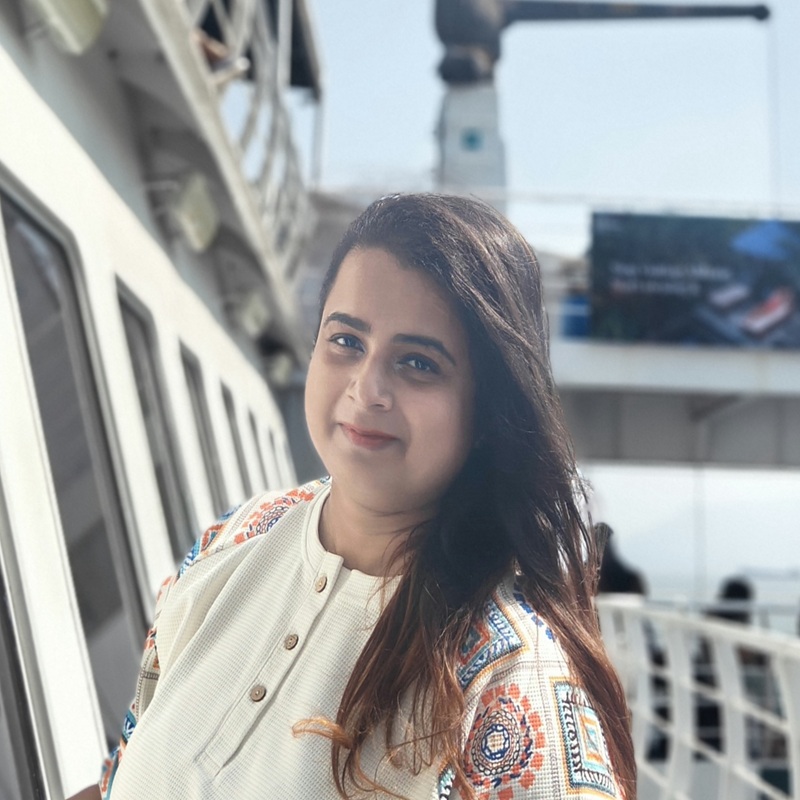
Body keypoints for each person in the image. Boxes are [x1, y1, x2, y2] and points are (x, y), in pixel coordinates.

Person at [69, 193, 635, 799]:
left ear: (486, 409)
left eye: (418, 362)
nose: (368, 389)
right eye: (346, 341)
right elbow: (122, 777)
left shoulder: (512, 681)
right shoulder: (238, 536)